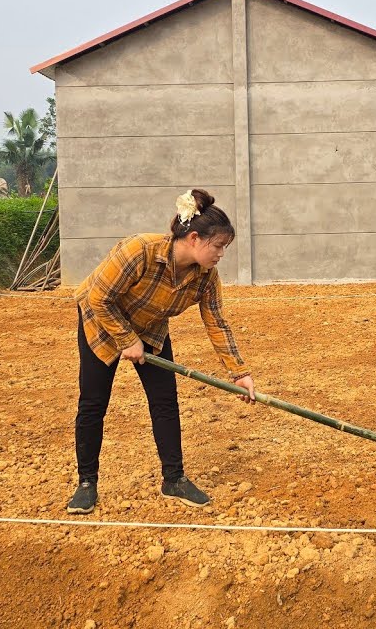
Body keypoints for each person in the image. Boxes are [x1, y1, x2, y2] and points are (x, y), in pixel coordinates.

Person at [67, 189, 255, 514]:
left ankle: (174, 479)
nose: (222, 254)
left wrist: (239, 373)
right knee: (93, 402)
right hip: (101, 322)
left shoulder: (206, 277)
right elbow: (98, 297)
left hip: (150, 328)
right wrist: (127, 339)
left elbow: (216, 322)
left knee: (165, 401)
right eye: (218, 246)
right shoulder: (140, 250)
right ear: (194, 238)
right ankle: (86, 483)